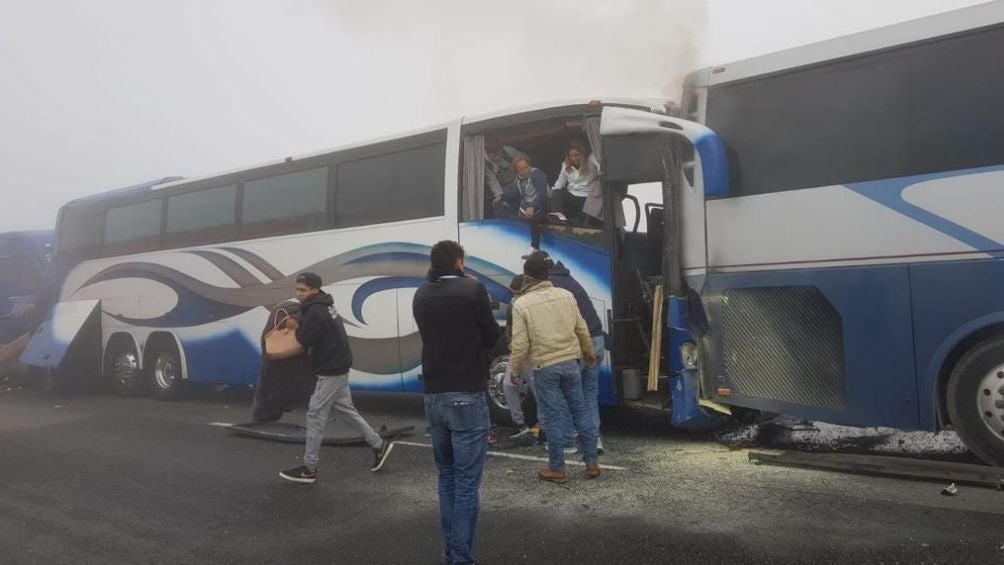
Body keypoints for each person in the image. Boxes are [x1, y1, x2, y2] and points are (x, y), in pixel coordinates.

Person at [412, 240, 500, 565]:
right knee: (466, 482)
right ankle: (460, 557)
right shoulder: (472, 291)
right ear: (460, 262)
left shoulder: (420, 294)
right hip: (467, 392)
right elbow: (491, 336)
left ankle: (451, 552)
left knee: (446, 476)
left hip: (433, 394)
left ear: (434, 264)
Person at [279, 272, 395, 484]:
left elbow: (305, 339)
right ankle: (379, 444)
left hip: (330, 369)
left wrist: (295, 327)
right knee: (347, 411)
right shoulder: (324, 305)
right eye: (297, 289)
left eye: (302, 290)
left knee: (315, 415)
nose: (298, 294)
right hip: (339, 365)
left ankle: (309, 469)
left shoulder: (315, 311)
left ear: (314, 289)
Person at [509, 254, 599, 483]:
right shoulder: (566, 295)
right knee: (580, 412)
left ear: (527, 278)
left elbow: (520, 344)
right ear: (547, 274)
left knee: (553, 417)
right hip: (571, 362)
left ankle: (557, 469)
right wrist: (588, 353)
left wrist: (515, 370)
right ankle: (591, 464)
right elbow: (581, 329)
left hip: (544, 366)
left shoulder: (522, 304)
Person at [535, 251, 607, 453]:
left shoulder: (553, 287)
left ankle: (567, 442)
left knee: (565, 390)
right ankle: (593, 441)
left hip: (579, 343)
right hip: (597, 338)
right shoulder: (568, 279)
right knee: (589, 393)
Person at [251, 298, 315, 423]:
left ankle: (262, 418)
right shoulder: (304, 314)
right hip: (289, 361)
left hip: (274, 361)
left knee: (269, 388)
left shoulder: (280, 313)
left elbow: (266, 343)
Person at [502, 274, 536, 437]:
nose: (514, 297)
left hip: (532, 353)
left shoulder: (533, 305)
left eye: (517, 293)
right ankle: (519, 423)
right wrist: (509, 342)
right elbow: (509, 327)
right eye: (513, 293)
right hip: (517, 351)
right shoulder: (513, 306)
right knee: (508, 385)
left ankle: (544, 427)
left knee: (539, 390)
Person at [551, 140, 602, 226]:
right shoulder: (565, 165)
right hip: (572, 194)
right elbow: (561, 181)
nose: (575, 158)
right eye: (572, 156)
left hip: (587, 196)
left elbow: (599, 163)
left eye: (577, 155)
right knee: (557, 193)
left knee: (584, 221)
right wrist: (553, 190)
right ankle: (560, 217)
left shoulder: (590, 158)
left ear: (582, 154)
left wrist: (600, 169)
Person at [511, 155, 549, 257]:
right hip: (527, 206)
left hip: (543, 204)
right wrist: (500, 197)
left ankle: (535, 247)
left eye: (526, 167)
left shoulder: (537, 175)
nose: (525, 171)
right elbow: (515, 194)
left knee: (533, 218)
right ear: (517, 171)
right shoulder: (518, 179)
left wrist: (533, 206)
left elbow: (542, 194)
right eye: (521, 169)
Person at [484, 136, 523, 217]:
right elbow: (492, 181)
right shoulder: (485, 163)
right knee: (505, 205)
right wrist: (498, 196)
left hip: (517, 179)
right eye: (494, 156)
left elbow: (523, 161)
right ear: (487, 153)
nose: (497, 157)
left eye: (499, 154)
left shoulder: (508, 151)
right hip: (503, 187)